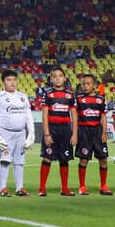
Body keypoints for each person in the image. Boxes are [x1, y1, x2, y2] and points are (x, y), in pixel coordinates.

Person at [0, 69, 34, 197]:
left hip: (20, 133)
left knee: (19, 162)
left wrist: (31, 134)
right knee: (5, 160)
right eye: (9, 80)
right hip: (5, 133)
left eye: (14, 80)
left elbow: (28, 116)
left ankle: (20, 188)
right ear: (3, 82)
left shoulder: (22, 97)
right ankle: (2, 188)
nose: (12, 83)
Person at [38, 67, 77, 197]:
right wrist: (47, 134)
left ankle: (65, 188)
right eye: (54, 76)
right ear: (51, 79)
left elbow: (74, 116)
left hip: (66, 130)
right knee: (47, 158)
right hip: (52, 129)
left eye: (60, 76)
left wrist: (74, 133)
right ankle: (42, 188)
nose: (57, 78)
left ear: (64, 78)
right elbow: (44, 115)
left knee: (64, 159)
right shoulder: (48, 94)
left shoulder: (70, 95)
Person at [74, 73, 112, 196]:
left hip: (97, 131)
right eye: (83, 84)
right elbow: (75, 116)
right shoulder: (79, 99)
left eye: (88, 84)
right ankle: (82, 186)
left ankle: (104, 185)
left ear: (94, 85)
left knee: (103, 159)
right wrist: (76, 132)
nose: (85, 86)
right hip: (84, 131)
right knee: (84, 159)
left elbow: (103, 116)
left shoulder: (100, 99)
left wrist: (104, 132)